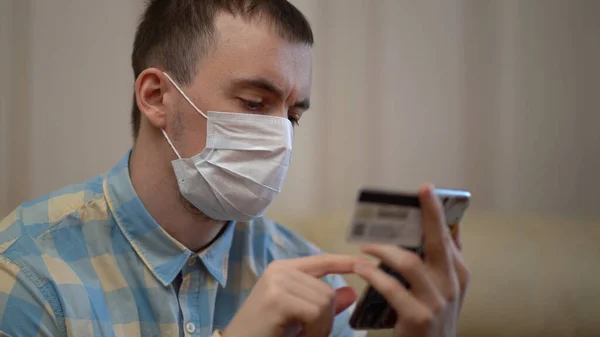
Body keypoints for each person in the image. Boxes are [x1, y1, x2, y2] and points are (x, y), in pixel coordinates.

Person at [0, 1, 470, 336]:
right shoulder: (30, 272)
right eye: (253, 102)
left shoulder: (317, 283)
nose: (280, 136)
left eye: (293, 115)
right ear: (156, 97)